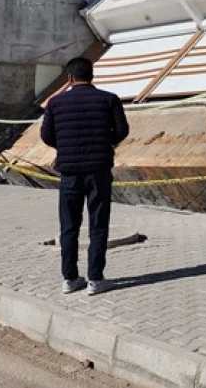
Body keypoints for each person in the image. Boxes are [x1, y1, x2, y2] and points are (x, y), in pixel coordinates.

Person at [41, 57, 129, 296]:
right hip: (98, 171)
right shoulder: (109, 99)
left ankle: (69, 278)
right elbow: (122, 130)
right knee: (98, 225)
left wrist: (66, 145)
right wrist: (105, 141)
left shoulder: (55, 103)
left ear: (69, 78)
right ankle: (95, 279)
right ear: (92, 76)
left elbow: (46, 135)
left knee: (69, 226)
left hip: (69, 172)